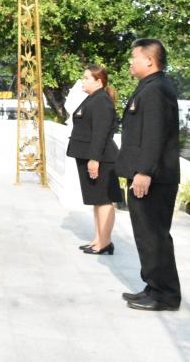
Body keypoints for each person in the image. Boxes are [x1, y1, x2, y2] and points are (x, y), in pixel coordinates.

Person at [117, 38, 181, 311]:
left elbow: (154, 135)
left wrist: (144, 171)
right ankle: (154, 287)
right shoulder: (150, 86)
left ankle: (165, 295)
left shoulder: (156, 90)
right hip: (147, 174)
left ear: (149, 60)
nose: (130, 62)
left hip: (153, 177)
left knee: (154, 236)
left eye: (134, 57)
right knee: (146, 236)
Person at [66, 65, 121, 255]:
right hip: (91, 156)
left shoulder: (101, 101)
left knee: (104, 200)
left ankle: (105, 242)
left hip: (101, 159)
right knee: (97, 200)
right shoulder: (94, 98)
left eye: (87, 78)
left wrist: (94, 159)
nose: (83, 81)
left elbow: (100, 133)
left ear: (99, 81)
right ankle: (98, 239)